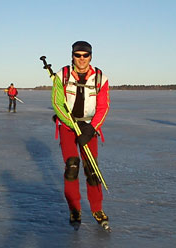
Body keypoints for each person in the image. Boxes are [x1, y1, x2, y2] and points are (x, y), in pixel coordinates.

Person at [52, 41, 110, 230]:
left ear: (91, 56)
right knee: (72, 166)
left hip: (89, 127)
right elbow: (58, 104)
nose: (82, 59)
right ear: (72, 56)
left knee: (92, 169)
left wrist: (91, 129)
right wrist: (72, 124)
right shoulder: (62, 76)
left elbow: (103, 107)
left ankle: (97, 208)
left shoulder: (101, 78)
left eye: (85, 55)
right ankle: (74, 208)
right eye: (78, 55)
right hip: (68, 126)